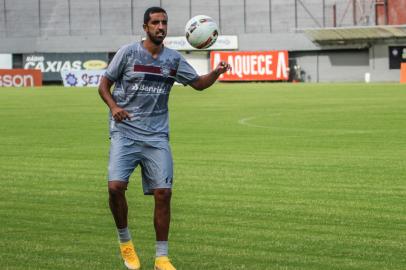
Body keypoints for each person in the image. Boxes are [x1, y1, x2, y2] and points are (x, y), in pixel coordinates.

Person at [98, 6, 231, 270]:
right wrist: (114, 108)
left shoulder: (173, 59)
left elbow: (198, 84)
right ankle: (125, 243)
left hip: (157, 136)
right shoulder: (128, 53)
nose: (161, 27)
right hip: (125, 133)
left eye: (164, 23)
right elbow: (104, 85)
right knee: (115, 188)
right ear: (145, 27)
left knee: (164, 193)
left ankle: (161, 257)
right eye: (156, 23)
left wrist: (216, 72)